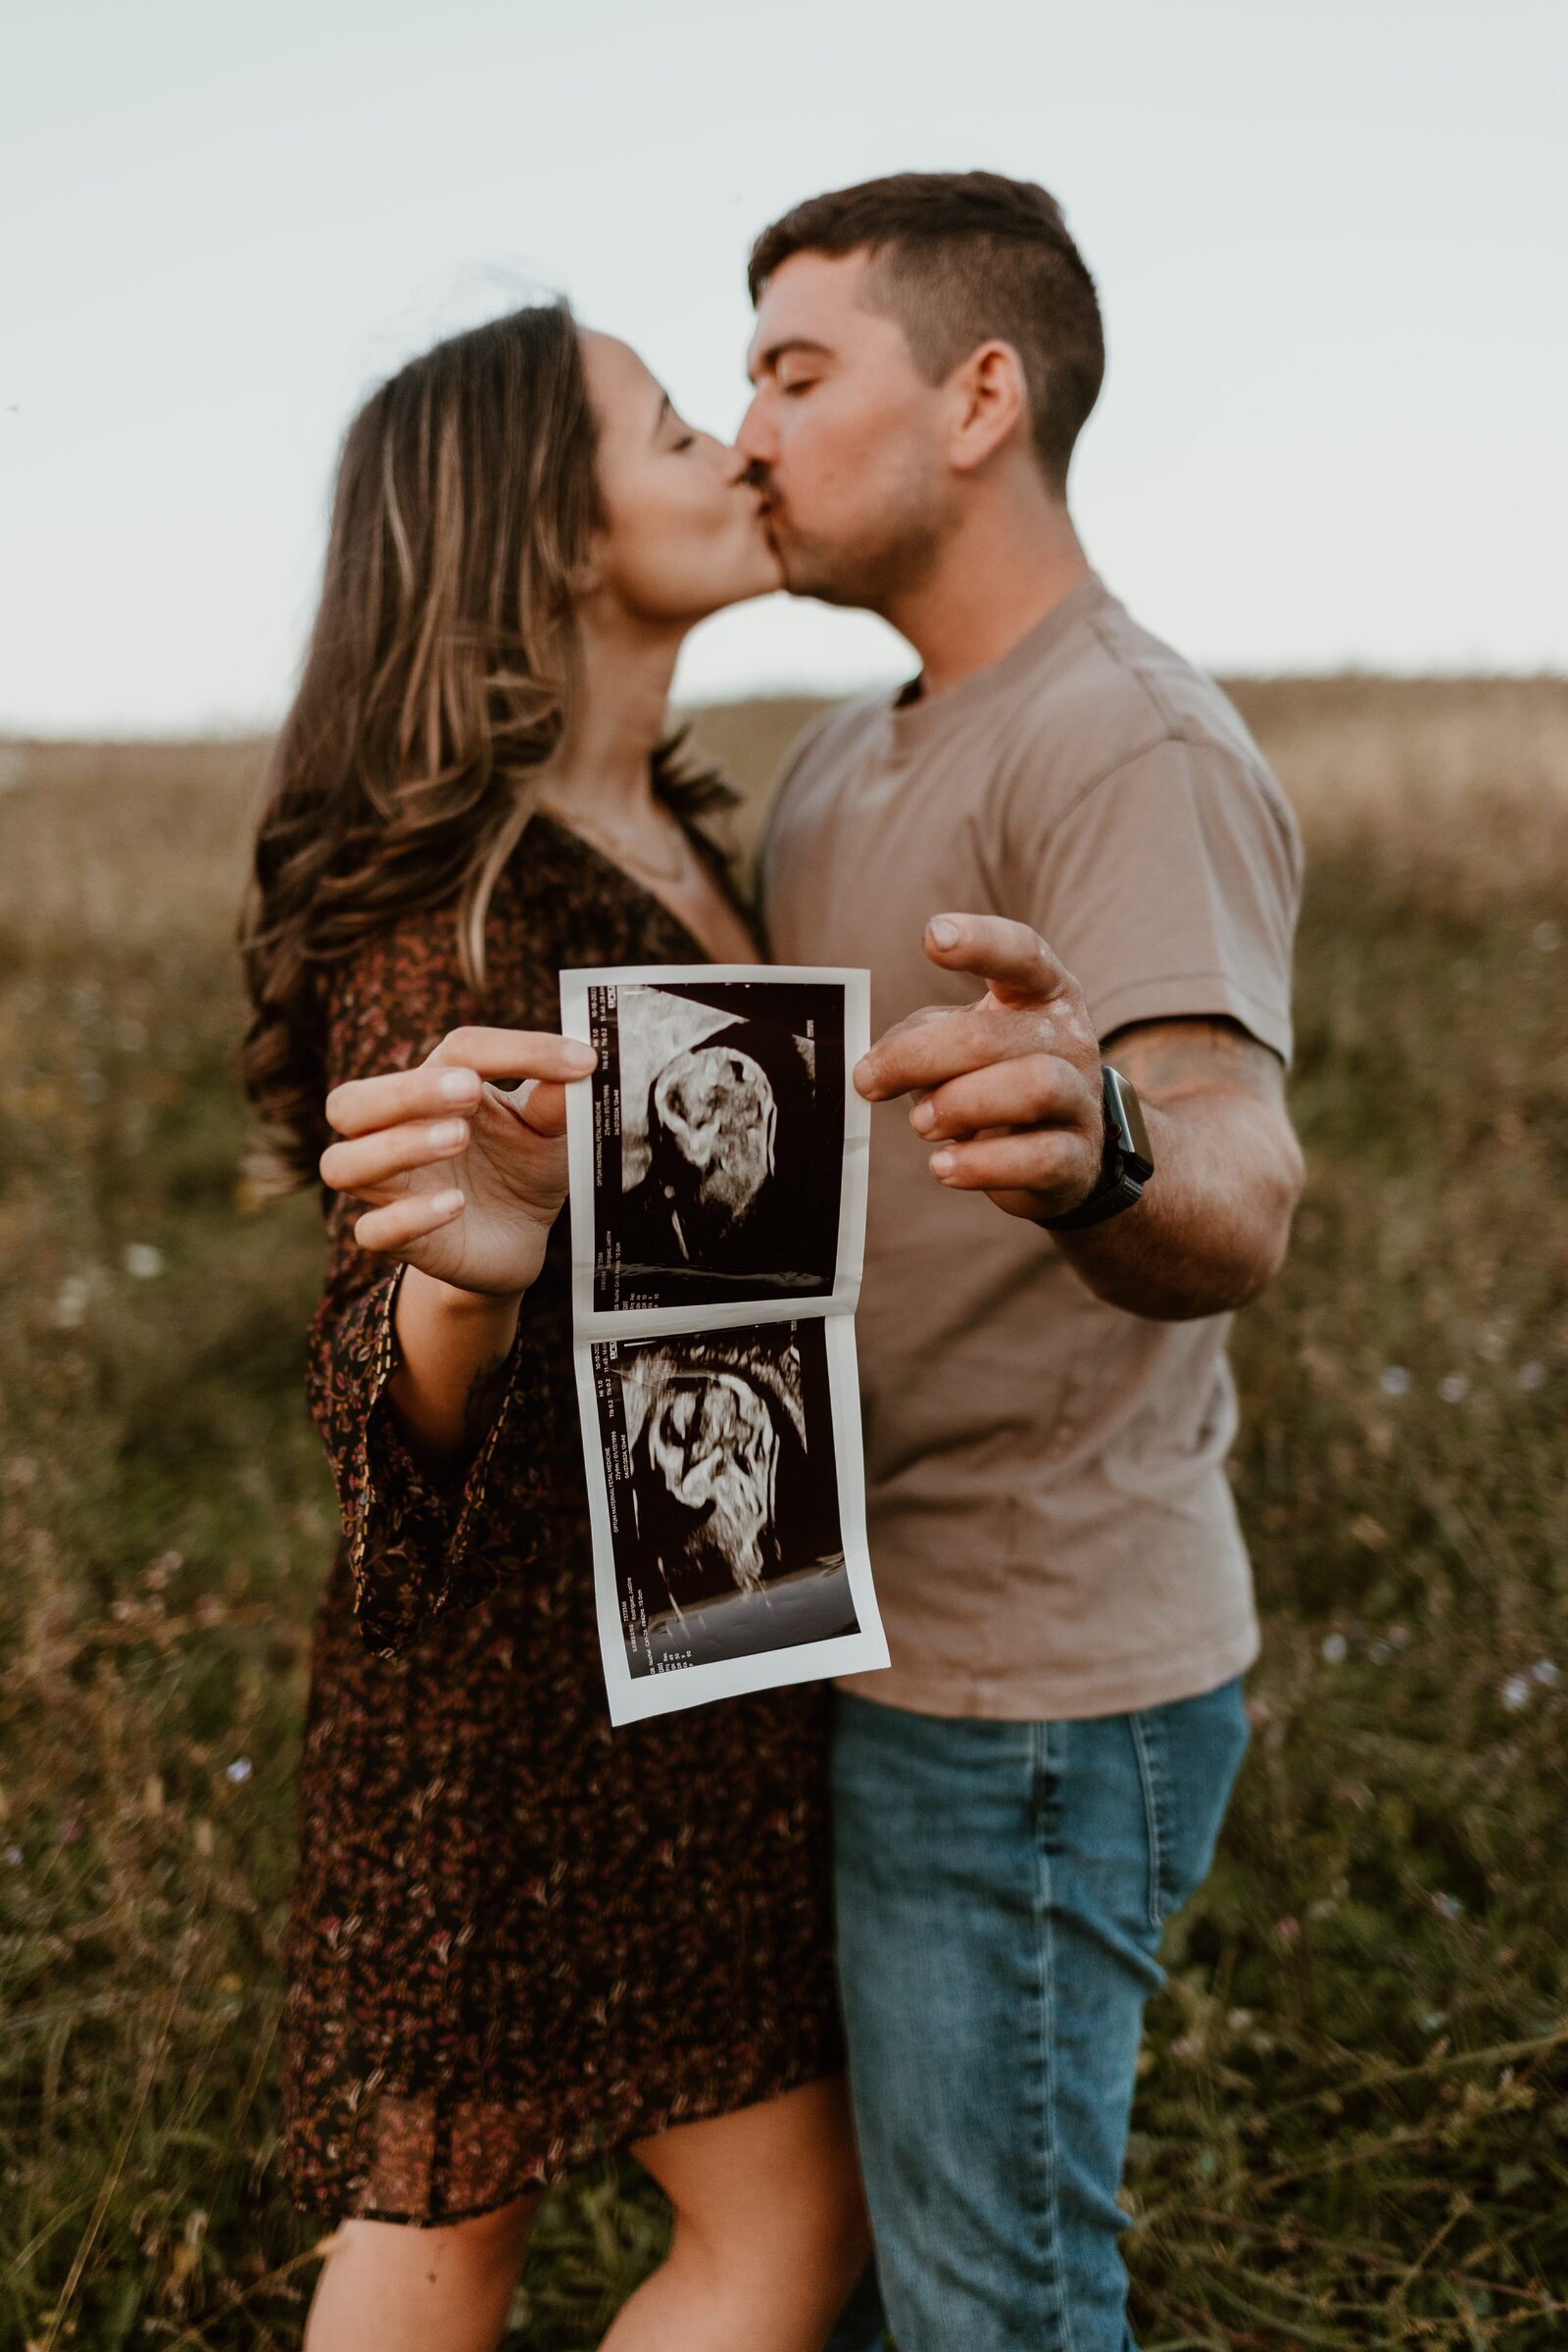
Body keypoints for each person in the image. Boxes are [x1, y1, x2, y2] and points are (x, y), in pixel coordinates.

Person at [240, 303, 867, 2352]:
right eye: (677, 425)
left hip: (701, 1644)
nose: (733, 454)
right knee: (523, 2222)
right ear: (542, 524)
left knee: (485, 2222)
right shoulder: (460, 897)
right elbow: (377, 1399)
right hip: (513, 1693)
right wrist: (459, 1277)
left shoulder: (686, 842)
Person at [735, 172, 1306, 2351]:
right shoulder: (829, 755)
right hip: (845, 1638)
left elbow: (1237, 1187)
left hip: (1037, 1696)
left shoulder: (1120, 736)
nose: (750, 432)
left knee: (1000, 2314)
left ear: (980, 394)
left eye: (797, 370)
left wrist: (1102, 1146)